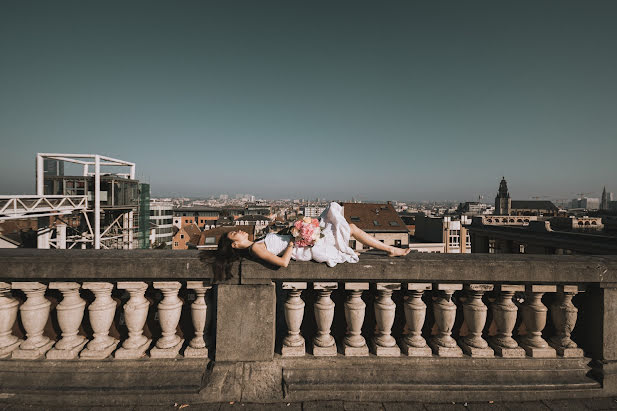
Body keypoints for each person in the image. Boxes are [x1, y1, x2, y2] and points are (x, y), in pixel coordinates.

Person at [216, 203, 410, 275]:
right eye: (235, 234)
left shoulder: (257, 243)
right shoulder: (255, 249)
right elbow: (283, 263)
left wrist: (293, 230)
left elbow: (278, 241)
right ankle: (391, 250)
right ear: (235, 244)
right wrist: (295, 238)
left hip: (302, 243)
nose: (239, 231)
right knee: (349, 228)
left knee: (348, 228)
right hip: (303, 247)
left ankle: (388, 249)